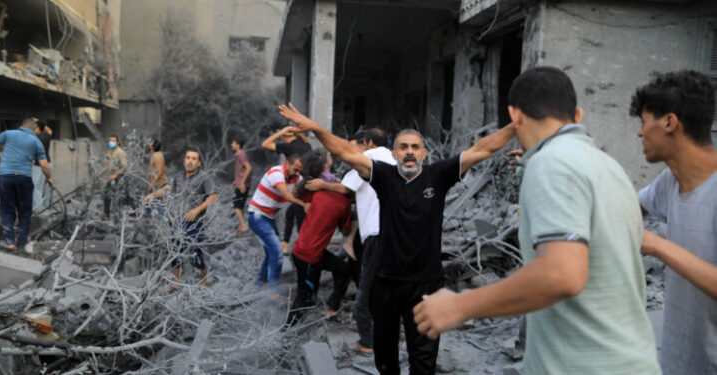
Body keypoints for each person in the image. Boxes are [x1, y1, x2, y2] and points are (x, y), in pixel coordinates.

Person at [411, 67, 661, 375]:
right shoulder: (608, 167)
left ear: (515, 116)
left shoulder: (552, 163)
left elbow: (561, 275)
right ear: (578, 115)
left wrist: (460, 306)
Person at [278, 104, 515, 375]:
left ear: (423, 153)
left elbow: (483, 149)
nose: (410, 152)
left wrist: (515, 124)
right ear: (394, 154)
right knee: (386, 360)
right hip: (387, 282)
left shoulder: (438, 175)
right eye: (404, 147)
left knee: (423, 360)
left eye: (415, 147)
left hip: (426, 284)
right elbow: (345, 152)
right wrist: (318, 128)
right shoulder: (384, 176)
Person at [631, 70, 717, 374]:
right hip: (677, 363)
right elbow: (625, 208)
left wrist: (657, 246)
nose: (640, 133)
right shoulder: (670, 182)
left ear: (669, 122)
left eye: (644, 122)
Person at [305, 127, 396, 354]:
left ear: (367, 143)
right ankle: (392, 338)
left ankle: (368, 343)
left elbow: (346, 189)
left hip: (376, 233)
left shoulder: (368, 159)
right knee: (387, 288)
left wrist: (323, 185)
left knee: (366, 293)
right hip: (396, 233)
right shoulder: (395, 159)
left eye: (357, 146)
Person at [287, 149, 353, 325]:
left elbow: (296, 192)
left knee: (342, 270)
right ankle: (285, 336)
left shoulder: (317, 189)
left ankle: (331, 309)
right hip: (308, 256)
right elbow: (345, 232)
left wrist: (308, 205)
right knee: (305, 297)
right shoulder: (344, 203)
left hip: (306, 251)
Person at [0, 118, 54, 251]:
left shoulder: (8, 134)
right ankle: (22, 241)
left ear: (21, 127)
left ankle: (9, 242)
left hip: (5, 177)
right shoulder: (36, 141)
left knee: (7, 209)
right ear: (33, 129)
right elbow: (44, 164)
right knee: (25, 211)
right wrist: (49, 178)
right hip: (23, 178)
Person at [144, 148, 217, 290]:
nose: (190, 161)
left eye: (193, 159)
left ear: (198, 163)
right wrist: (152, 195)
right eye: (188, 158)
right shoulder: (178, 176)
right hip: (178, 221)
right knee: (174, 251)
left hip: (195, 223)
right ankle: (176, 283)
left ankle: (203, 283)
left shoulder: (204, 177)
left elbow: (212, 197)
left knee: (195, 251)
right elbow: (167, 189)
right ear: (184, 161)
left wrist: (197, 210)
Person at [248, 152, 306, 293]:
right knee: (276, 251)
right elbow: (286, 194)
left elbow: (305, 189)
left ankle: (259, 284)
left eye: (300, 171)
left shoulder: (297, 177)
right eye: (295, 169)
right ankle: (273, 291)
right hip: (257, 216)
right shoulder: (276, 173)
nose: (297, 173)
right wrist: (304, 204)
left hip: (268, 218)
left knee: (271, 251)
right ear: (287, 164)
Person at [261, 126, 311, 254]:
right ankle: (287, 245)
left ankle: (301, 249)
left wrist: (282, 132)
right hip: (308, 184)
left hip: (301, 186)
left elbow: (265, 144)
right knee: (292, 213)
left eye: (283, 134)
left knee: (298, 216)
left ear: (286, 135)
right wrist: (297, 131)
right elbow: (305, 139)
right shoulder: (305, 145)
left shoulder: (288, 147)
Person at [98, 135, 129, 220]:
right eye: (110, 141)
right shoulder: (110, 152)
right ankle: (107, 215)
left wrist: (115, 175)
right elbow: (107, 165)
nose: (111, 142)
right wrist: (100, 173)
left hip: (120, 176)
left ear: (117, 143)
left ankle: (132, 214)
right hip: (112, 176)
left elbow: (124, 168)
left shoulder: (120, 152)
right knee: (107, 193)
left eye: (113, 141)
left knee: (122, 195)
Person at [231, 137, 252, 234]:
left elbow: (248, 168)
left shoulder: (240, 154)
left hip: (242, 185)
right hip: (240, 183)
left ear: (238, 145)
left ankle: (243, 225)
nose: (232, 145)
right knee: (239, 205)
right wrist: (236, 180)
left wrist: (242, 182)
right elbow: (241, 170)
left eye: (233, 143)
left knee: (236, 206)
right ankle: (241, 225)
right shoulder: (239, 154)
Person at [31, 123, 53, 210]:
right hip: (49, 164)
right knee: (47, 188)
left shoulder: (35, 138)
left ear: (37, 129)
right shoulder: (47, 136)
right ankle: (46, 209)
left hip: (39, 166)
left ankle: (38, 211)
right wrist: (41, 123)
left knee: (36, 188)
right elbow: (50, 130)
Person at [144, 139, 167, 218]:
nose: (149, 144)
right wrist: (150, 174)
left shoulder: (157, 156)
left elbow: (160, 171)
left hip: (158, 183)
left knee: (158, 203)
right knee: (148, 200)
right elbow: (156, 169)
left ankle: (162, 222)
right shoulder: (156, 155)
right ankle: (146, 218)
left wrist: (152, 183)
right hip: (157, 182)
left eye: (151, 143)